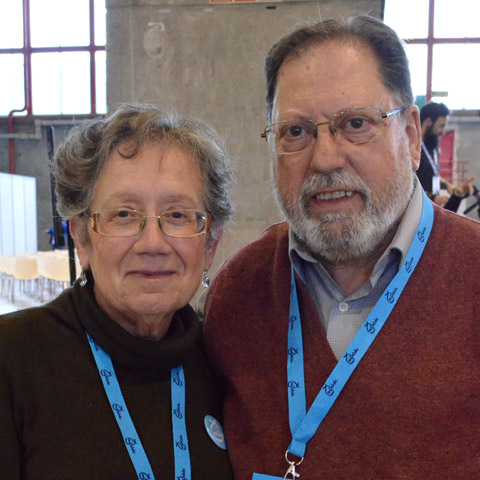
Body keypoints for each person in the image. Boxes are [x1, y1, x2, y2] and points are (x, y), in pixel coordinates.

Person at [204, 15, 480, 480]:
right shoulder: (238, 293)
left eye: (355, 123)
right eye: (295, 132)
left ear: (411, 135)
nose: (325, 159)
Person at [0, 103, 236, 479]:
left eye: (177, 215)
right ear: (81, 239)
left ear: (210, 245)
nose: (153, 243)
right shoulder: (13, 359)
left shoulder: (226, 364)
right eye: (124, 214)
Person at [417, 101, 474, 211]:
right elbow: (408, 186)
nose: (443, 132)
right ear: (428, 122)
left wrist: (447, 185)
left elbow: (431, 175)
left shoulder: (433, 147)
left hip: (430, 207)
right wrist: (432, 197)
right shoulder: (412, 149)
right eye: (441, 126)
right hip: (417, 210)